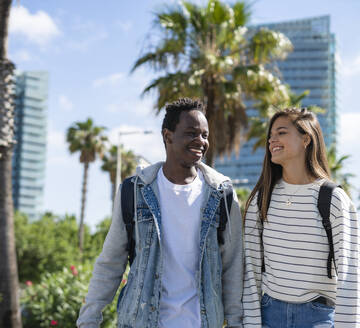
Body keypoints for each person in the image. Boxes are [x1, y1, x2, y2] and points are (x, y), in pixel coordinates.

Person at [77, 98, 243, 328]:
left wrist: (236, 323)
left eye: (205, 135)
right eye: (191, 133)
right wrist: (89, 319)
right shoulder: (135, 191)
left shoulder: (221, 194)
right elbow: (111, 261)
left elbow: (233, 266)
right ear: (168, 136)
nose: (201, 141)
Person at [242, 108, 360, 328]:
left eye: (281, 133)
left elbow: (350, 276)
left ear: (306, 139)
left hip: (318, 317)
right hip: (270, 315)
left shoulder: (334, 199)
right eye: (271, 135)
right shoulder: (261, 198)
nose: (272, 140)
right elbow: (250, 272)